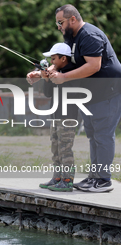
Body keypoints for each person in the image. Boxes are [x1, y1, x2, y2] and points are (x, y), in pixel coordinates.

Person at [49, 4, 121, 192]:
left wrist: (63, 77)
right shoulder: (73, 39)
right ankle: (94, 177)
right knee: (93, 135)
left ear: (72, 19)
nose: (59, 27)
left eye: (61, 22)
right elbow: (69, 62)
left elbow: (93, 66)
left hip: (109, 91)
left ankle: (104, 180)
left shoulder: (88, 35)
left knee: (103, 135)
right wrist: (53, 69)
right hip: (93, 94)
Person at [35, 43, 78, 192]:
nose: (52, 62)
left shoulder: (72, 72)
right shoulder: (57, 72)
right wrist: (47, 79)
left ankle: (67, 180)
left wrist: (59, 77)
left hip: (68, 117)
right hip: (55, 116)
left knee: (65, 148)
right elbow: (48, 94)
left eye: (54, 58)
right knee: (55, 148)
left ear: (63, 58)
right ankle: (57, 178)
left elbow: (73, 92)